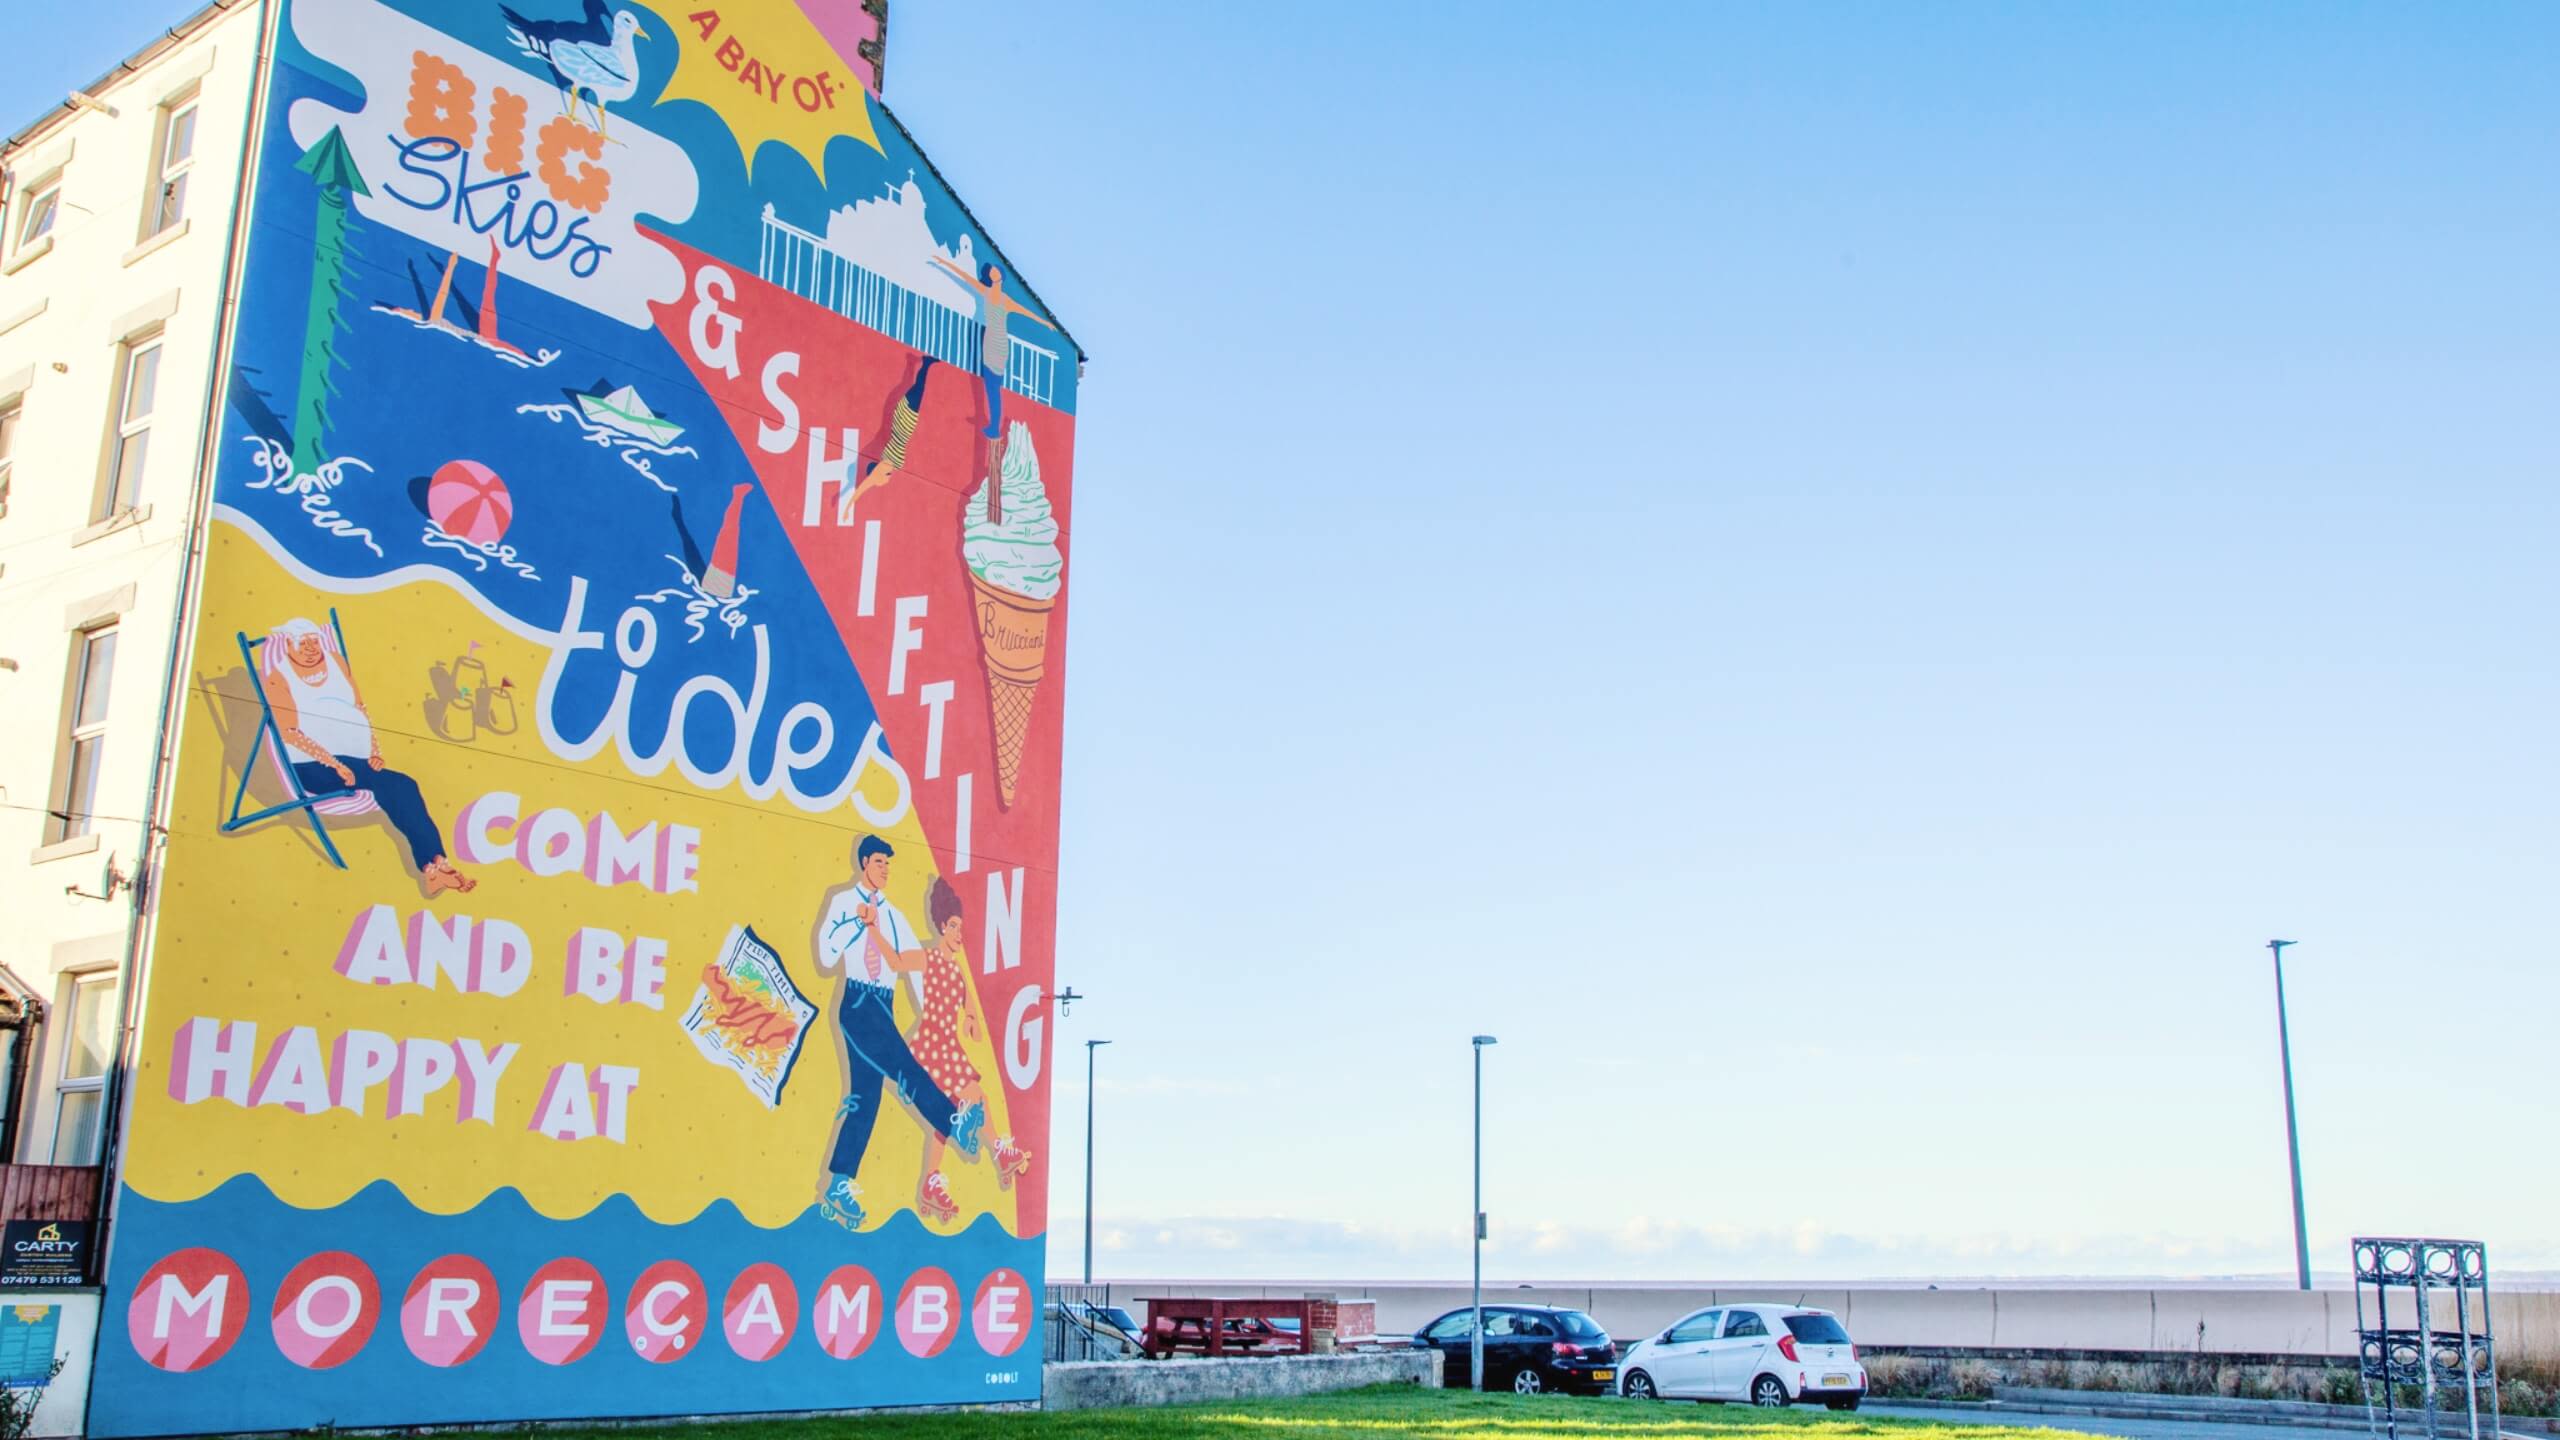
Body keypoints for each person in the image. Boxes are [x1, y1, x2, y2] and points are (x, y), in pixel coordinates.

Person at [810, 835, 985, 1231]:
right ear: (863, 864)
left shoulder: (893, 915)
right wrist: (856, 921)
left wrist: (936, 1025)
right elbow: (824, 953)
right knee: (904, 1067)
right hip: (857, 1002)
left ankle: (839, 1182)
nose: (885, 869)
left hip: (883, 1002)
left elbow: (915, 971)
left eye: (888, 864)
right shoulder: (843, 902)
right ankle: (953, 1121)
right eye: (878, 862)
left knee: (864, 1098)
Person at [262, 618, 475, 897]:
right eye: (303, 643)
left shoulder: (336, 662)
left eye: (315, 640)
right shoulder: (279, 678)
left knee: (400, 786)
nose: (312, 648)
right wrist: (334, 764)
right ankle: (433, 865)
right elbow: (289, 732)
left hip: (353, 760)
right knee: (398, 787)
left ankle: (436, 865)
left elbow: (360, 707)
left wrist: (374, 750)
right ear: (287, 644)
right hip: (312, 765)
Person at [905, 877, 1032, 1222]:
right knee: (975, 1096)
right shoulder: (930, 958)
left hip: (949, 1048)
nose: (960, 933)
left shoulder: (958, 972)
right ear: (942, 926)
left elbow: (969, 1008)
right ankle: (999, 1152)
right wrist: (872, 934)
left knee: (944, 1122)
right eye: (954, 926)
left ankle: (932, 1181)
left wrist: (972, 1021)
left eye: (962, 927)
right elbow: (899, 961)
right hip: (932, 1048)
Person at [925, 256, 1043, 505]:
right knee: (993, 387)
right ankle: (993, 424)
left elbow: (1027, 313)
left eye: (993, 274)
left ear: (996, 277)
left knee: (992, 388)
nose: (991, 276)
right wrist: (944, 263)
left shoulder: (993, 295)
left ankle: (994, 426)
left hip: (994, 343)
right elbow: (965, 279)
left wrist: (1046, 324)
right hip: (996, 342)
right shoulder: (998, 297)